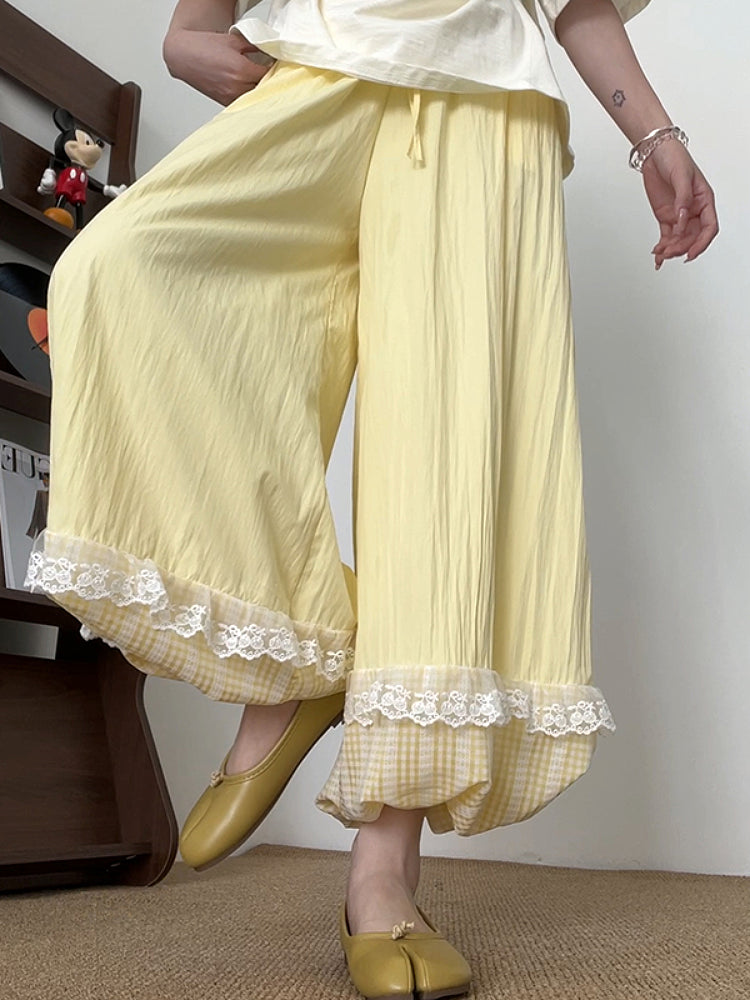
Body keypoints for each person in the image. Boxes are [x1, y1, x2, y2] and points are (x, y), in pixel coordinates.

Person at [25, 0, 718, 997]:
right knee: (112, 271)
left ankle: (383, 877)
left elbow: (578, 4)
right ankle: (293, 674)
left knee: (443, 464)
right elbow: (193, 28)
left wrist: (655, 134)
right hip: (324, 65)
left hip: (485, 101)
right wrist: (184, 36)